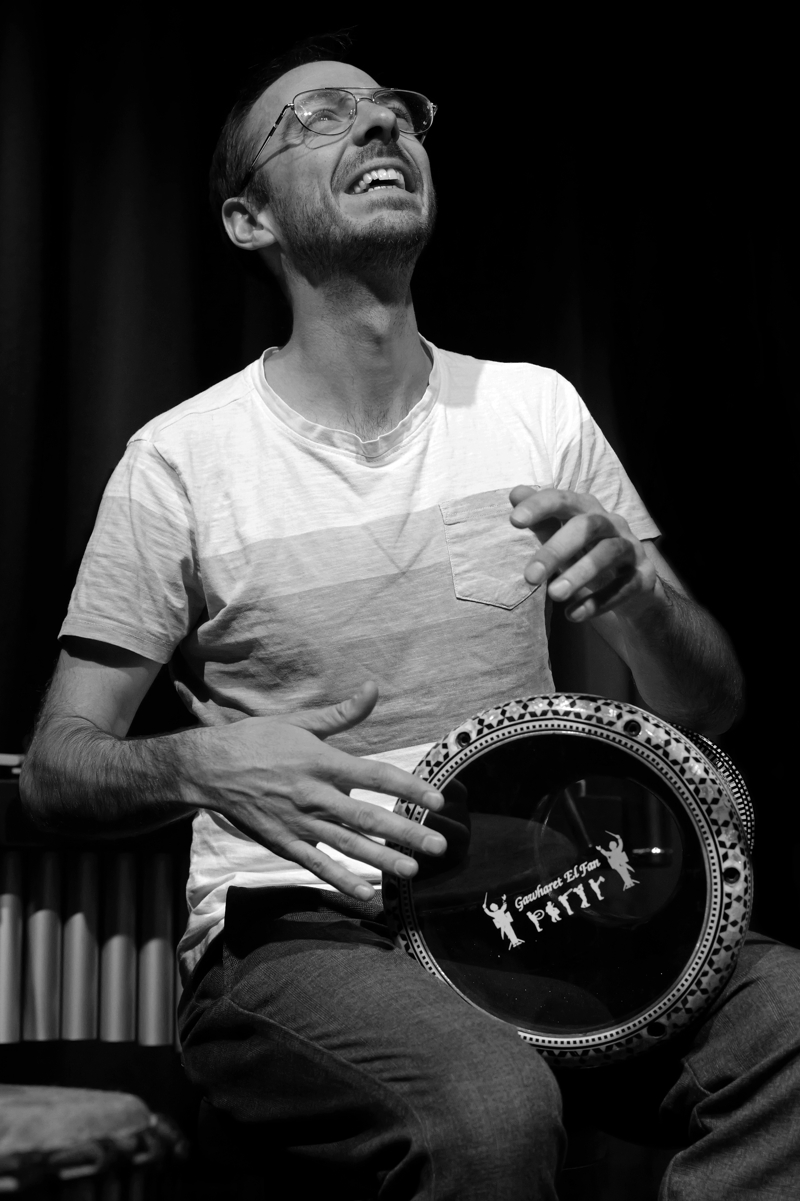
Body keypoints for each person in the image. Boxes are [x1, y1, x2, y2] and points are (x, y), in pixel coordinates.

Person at [19, 36, 800, 1201]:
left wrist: (635, 597)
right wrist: (201, 762)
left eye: (392, 109)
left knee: (788, 1016)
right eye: (319, 118)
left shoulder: (533, 408)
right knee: (486, 1105)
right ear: (247, 220)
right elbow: (54, 767)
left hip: (539, 909)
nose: (381, 123)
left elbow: (710, 703)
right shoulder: (179, 460)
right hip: (308, 932)